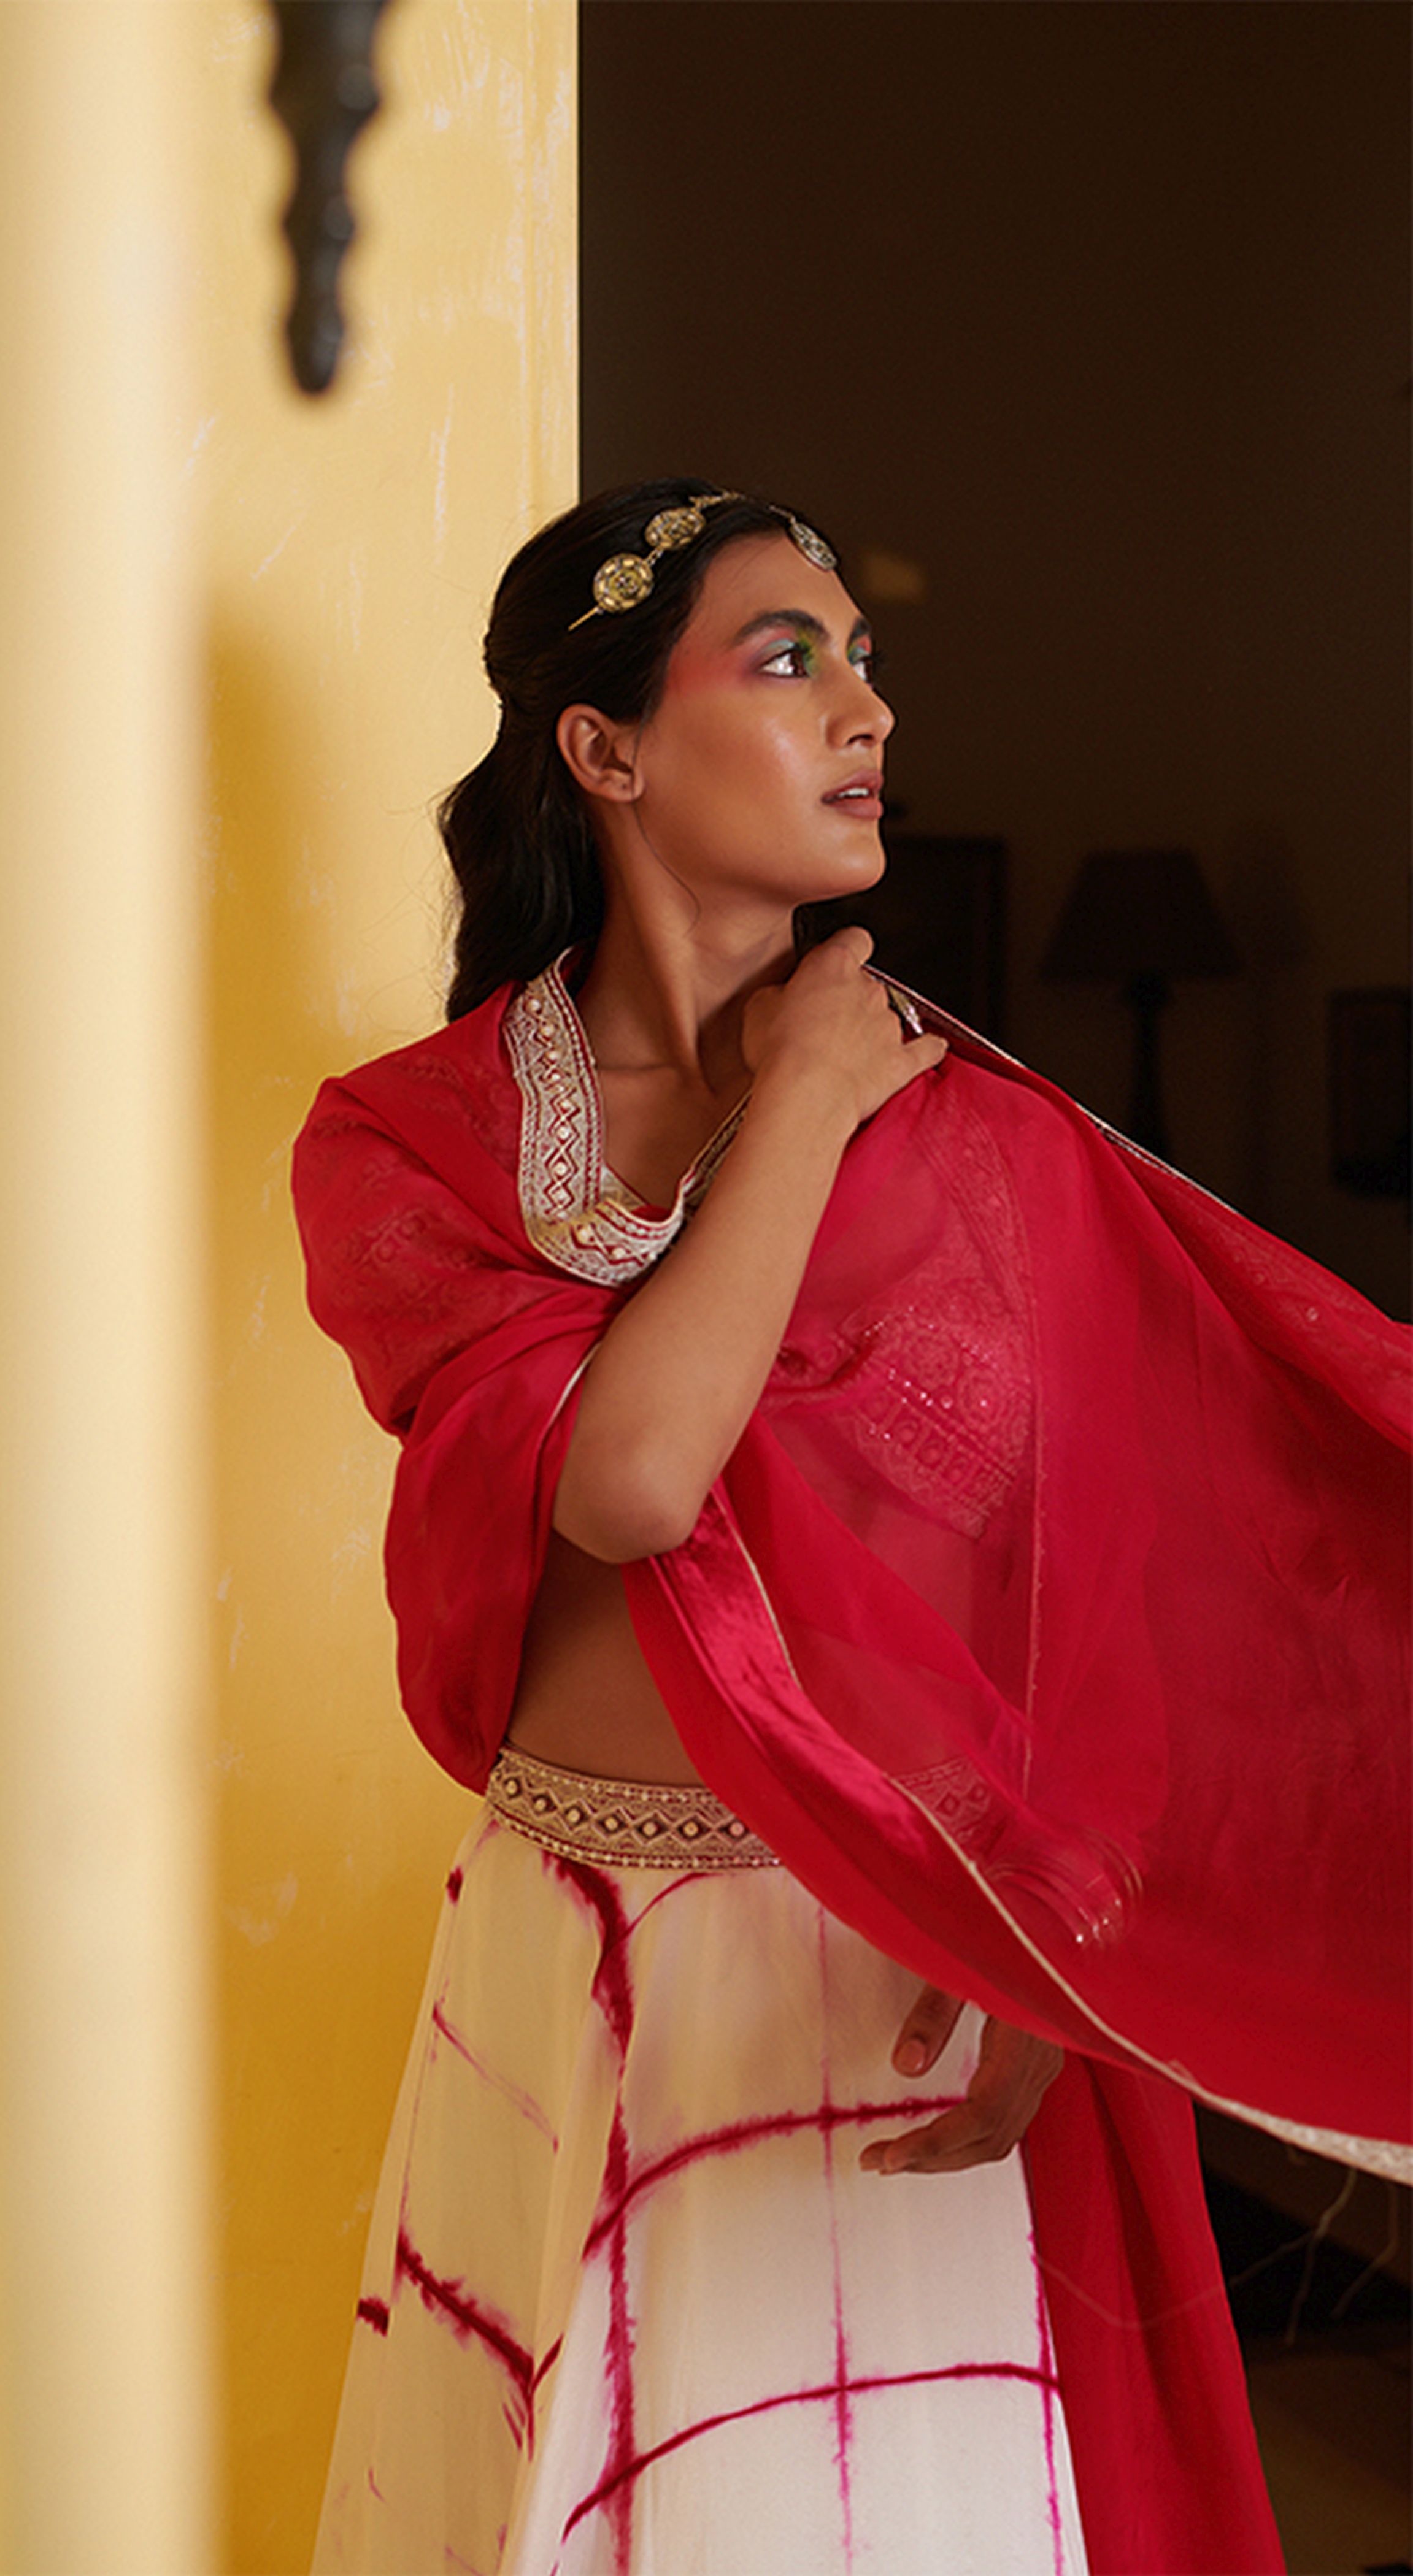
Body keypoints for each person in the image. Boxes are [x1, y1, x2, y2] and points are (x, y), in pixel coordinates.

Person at [293, 483, 1411, 2575]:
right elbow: (628, 1481)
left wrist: (1059, 1959)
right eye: (789, 659)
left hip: (889, 1979)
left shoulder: (993, 1143)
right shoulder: (411, 1142)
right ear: (604, 748)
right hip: (574, 1962)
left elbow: (1109, 1600)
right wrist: (802, 1089)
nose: (866, 711)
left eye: (867, 662)